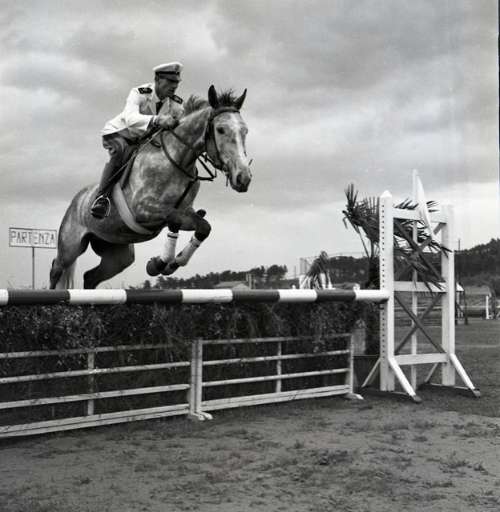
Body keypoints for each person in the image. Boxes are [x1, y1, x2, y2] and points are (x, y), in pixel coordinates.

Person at [90, 62, 185, 219]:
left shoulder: (176, 103)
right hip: (118, 133)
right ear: (157, 80)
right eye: (170, 81)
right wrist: (157, 119)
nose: (174, 86)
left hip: (140, 139)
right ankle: (101, 198)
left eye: (176, 82)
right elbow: (130, 119)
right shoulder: (139, 92)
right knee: (121, 151)